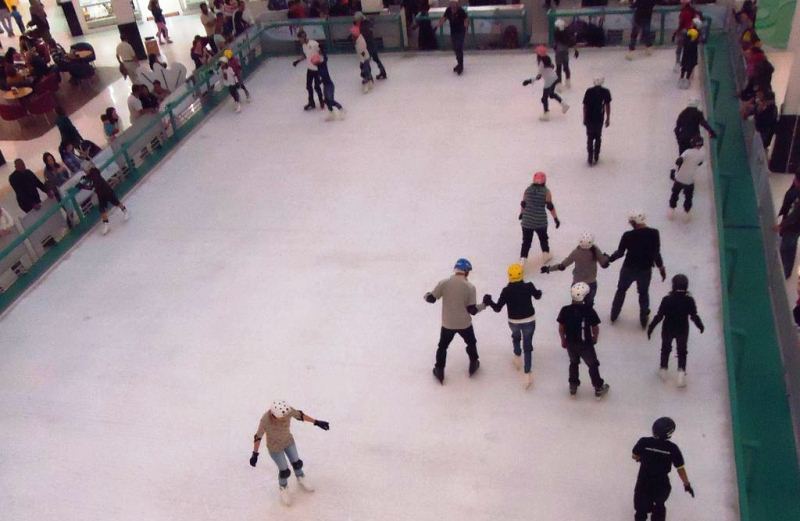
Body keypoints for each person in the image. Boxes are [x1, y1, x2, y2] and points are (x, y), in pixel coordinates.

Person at [249, 400, 330, 506]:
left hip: (288, 442)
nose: (284, 418)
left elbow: (300, 415)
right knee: (284, 471)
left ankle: (300, 476)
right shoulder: (265, 420)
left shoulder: (287, 411)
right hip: (275, 448)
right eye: (281, 417)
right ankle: (283, 487)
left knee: (297, 462)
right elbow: (258, 437)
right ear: (274, 415)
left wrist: (316, 422)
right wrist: (255, 454)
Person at [424, 258, 487, 384]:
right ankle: (474, 363)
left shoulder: (444, 282)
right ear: (466, 271)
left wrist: (426, 295)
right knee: (471, 343)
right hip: (464, 324)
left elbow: (431, 298)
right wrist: (485, 305)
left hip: (447, 324)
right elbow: (472, 310)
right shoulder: (470, 287)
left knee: (442, 346)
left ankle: (439, 369)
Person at [483, 263, 542, 389]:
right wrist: (539, 292)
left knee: (516, 336)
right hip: (529, 320)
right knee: (528, 345)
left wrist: (489, 302)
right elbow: (538, 296)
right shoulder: (528, 286)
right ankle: (527, 373)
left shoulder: (506, 290)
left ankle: (516, 355)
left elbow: (498, 308)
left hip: (514, 321)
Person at [608, 211, 666, 328]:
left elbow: (620, 253)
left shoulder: (628, 235)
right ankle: (643, 317)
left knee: (621, 290)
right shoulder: (654, 233)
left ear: (635, 222)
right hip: (645, 270)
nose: (630, 224)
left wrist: (609, 259)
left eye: (631, 222)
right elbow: (656, 253)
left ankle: (614, 314)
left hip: (628, 269)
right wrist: (661, 268)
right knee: (643, 293)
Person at [647, 274, 704, 387]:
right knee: (682, 351)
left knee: (666, 348)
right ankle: (681, 375)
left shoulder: (667, 299)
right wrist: (700, 325)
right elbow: (694, 316)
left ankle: (663, 370)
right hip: (682, 328)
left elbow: (659, 316)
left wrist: (651, 327)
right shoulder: (689, 301)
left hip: (668, 327)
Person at [632, 417, 695, 521]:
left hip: (643, 484)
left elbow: (635, 455)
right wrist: (686, 484)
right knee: (659, 507)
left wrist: (642, 458)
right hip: (661, 486)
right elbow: (680, 468)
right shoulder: (673, 448)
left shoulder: (644, 442)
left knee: (640, 512)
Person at [557, 282, 610, 398]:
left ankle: (573, 386)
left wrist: (563, 340)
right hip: (586, 344)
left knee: (574, 363)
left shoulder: (565, 310)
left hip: (571, 343)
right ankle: (598, 387)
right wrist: (594, 338)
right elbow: (595, 328)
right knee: (593, 365)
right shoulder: (589, 311)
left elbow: (561, 328)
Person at [542, 232, 609, 307]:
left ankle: (575, 316)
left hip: (577, 283)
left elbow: (562, 266)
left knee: (576, 305)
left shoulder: (576, 252)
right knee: (589, 304)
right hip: (591, 283)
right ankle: (588, 316)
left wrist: (549, 269)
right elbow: (604, 264)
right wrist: (606, 257)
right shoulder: (595, 250)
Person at [519, 171, 560, 265]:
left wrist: (521, 213)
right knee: (543, 238)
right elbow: (550, 206)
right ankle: (546, 254)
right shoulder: (546, 191)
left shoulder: (528, 190)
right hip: (540, 221)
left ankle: (523, 259)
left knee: (526, 241)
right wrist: (555, 219)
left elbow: (523, 203)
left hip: (527, 220)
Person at [76, 167, 129, 235]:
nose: (86, 171)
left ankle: (125, 211)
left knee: (116, 202)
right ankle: (106, 224)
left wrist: (82, 186)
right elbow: (86, 179)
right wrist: (82, 182)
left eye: (86, 170)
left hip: (107, 191)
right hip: (100, 194)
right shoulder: (89, 175)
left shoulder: (95, 173)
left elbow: (92, 187)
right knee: (102, 209)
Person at [668, 135, 704, 221]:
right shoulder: (702, 155)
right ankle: (686, 214)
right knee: (688, 197)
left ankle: (671, 211)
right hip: (689, 181)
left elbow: (679, 160)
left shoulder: (687, 152)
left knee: (675, 194)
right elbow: (699, 163)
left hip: (679, 178)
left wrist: (675, 171)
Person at [522, 55, 569, 121]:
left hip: (549, 81)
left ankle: (546, 114)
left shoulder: (541, 63)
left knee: (544, 98)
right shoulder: (548, 61)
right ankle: (564, 105)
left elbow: (538, 77)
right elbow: (552, 67)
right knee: (551, 94)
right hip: (555, 78)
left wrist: (529, 81)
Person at [292, 30, 325, 111]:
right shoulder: (304, 46)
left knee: (317, 87)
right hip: (310, 69)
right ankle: (311, 102)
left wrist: (322, 62)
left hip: (317, 69)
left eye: (300, 39)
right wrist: (298, 61)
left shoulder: (313, 43)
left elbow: (321, 51)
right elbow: (305, 55)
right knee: (308, 86)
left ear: (303, 37)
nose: (299, 41)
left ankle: (321, 101)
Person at [582, 76, 611, 165]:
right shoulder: (605, 92)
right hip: (599, 118)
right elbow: (607, 106)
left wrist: (584, 118)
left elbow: (585, 106)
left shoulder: (589, 91)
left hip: (589, 118)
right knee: (598, 136)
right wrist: (607, 118)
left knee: (590, 136)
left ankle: (590, 155)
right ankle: (596, 154)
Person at [776, 173, 800, 279]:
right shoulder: (795, 189)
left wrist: (782, 225)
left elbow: (794, 214)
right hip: (793, 225)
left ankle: (784, 272)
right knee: (789, 246)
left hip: (793, 226)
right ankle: (785, 271)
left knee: (787, 248)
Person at [434, 1, 468, 75]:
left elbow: (465, 20)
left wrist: (466, 30)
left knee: (459, 47)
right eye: (451, 3)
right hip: (453, 32)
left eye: (454, 3)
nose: (452, 5)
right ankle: (459, 63)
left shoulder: (461, 11)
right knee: (456, 48)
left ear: (457, 4)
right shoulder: (448, 10)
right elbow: (444, 18)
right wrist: (437, 26)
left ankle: (460, 66)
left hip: (461, 32)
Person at [354, 12, 387, 80]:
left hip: (365, 47)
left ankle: (367, 77)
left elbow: (358, 36)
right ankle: (383, 72)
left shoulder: (361, 27)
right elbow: (371, 23)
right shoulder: (368, 23)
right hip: (372, 45)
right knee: (376, 59)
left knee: (364, 61)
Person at [312, 51, 344, 121]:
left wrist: (323, 52)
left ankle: (341, 109)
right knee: (326, 100)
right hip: (326, 86)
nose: (313, 64)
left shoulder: (322, 65)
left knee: (330, 100)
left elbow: (325, 59)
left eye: (314, 62)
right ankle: (331, 113)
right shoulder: (319, 67)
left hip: (329, 85)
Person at [673, 0, 699, 71]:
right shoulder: (694, 12)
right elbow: (698, 23)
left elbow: (681, 24)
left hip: (684, 32)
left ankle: (677, 63)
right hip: (692, 33)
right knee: (688, 50)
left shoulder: (683, 12)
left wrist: (677, 32)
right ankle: (688, 65)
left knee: (679, 48)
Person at [552, 18, 578, 90]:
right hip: (565, 51)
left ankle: (559, 85)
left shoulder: (556, 33)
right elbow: (572, 41)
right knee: (566, 67)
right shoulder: (567, 33)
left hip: (559, 52)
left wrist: (555, 47)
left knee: (558, 68)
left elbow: (555, 44)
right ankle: (568, 82)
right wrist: (575, 50)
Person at [351, 25, 374, 93]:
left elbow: (363, 52)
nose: (352, 36)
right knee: (367, 72)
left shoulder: (360, 42)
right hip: (365, 58)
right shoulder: (359, 40)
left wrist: (362, 61)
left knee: (365, 72)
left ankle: (366, 86)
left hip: (364, 59)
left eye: (352, 34)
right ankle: (370, 84)